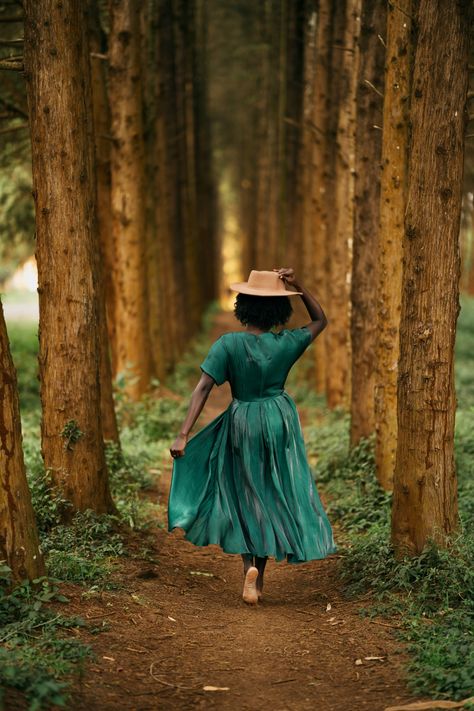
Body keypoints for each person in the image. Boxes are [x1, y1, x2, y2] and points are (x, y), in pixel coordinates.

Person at [168, 267, 337, 605]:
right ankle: (258, 575)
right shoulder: (287, 343)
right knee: (271, 491)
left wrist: (184, 434)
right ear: (279, 311)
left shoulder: (228, 345)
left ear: (242, 305)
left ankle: (249, 568)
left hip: (242, 419)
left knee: (244, 493)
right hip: (277, 419)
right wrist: (299, 286)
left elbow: (203, 388)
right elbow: (320, 320)